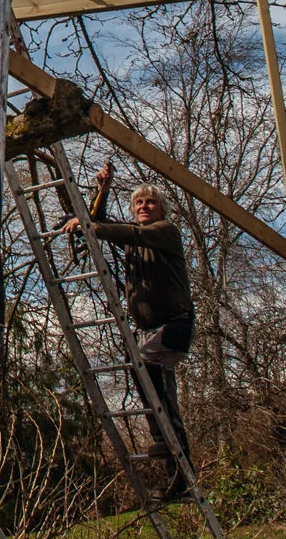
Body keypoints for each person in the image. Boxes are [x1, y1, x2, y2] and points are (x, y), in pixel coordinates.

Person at [62, 162, 195, 501]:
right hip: (149, 329)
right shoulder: (134, 236)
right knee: (160, 397)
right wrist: (103, 191)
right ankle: (178, 476)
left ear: (161, 209)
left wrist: (89, 226)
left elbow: (123, 232)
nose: (144, 207)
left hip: (175, 324)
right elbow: (102, 223)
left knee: (146, 367)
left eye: (150, 202)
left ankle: (166, 445)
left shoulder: (164, 231)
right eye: (138, 203)